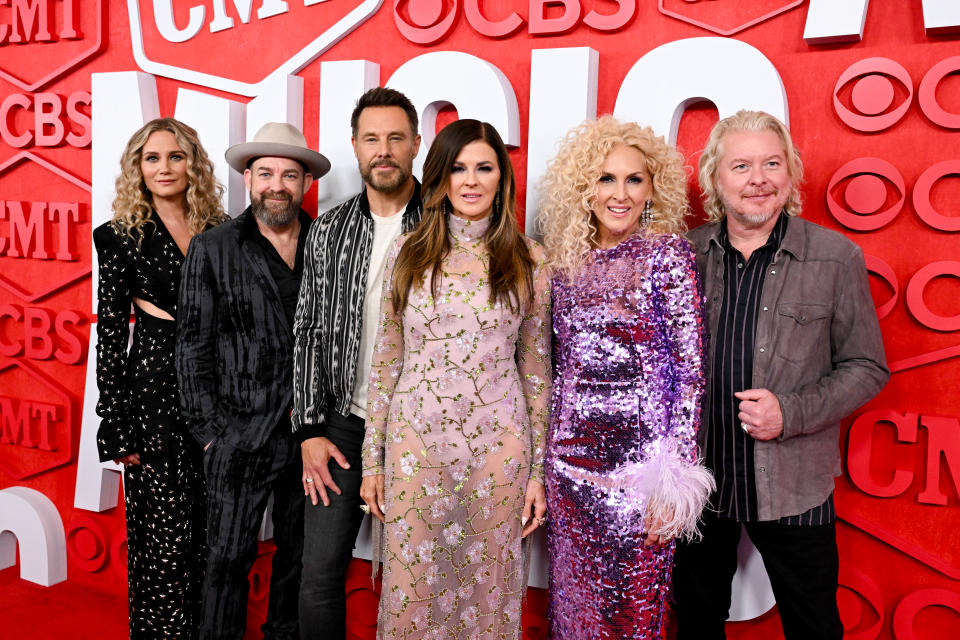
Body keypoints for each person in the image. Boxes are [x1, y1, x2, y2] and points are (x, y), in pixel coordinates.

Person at [672, 110, 889, 640]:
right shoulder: (682, 255)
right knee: (696, 623)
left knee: (813, 625)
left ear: (790, 172)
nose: (758, 179)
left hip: (794, 484)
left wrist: (789, 412)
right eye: (741, 165)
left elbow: (867, 367)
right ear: (715, 179)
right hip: (698, 482)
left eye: (772, 163)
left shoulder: (835, 258)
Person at [359, 119, 551, 639]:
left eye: (484, 167)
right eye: (458, 168)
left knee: (486, 594)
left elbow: (536, 375)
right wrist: (372, 462)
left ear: (501, 178)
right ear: (438, 178)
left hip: (497, 456)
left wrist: (537, 474)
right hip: (415, 452)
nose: (470, 181)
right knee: (412, 592)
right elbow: (386, 364)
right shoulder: (407, 253)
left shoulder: (529, 259)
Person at [536, 115, 714, 639]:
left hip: (639, 476)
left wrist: (672, 481)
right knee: (573, 613)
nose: (620, 193)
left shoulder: (667, 256)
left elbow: (688, 377)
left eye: (634, 179)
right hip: (568, 469)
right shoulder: (564, 264)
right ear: (583, 188)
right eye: (606, 178)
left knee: (633, 616)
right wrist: (546, 462)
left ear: (651, 188)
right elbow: (558, 369)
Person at [176, 122, 330, 639]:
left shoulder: (328, 244)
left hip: (311, 436)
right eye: (265, 173)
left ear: (305, 182)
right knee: (226, 561)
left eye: (289, 174)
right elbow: (192, 344)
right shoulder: (214, 246)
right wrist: (211, 432)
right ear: (247, 178)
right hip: (238, 437)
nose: (277, 185)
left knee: (299, 562)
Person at [293, 87, 423, 638]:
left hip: (421, 427)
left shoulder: (446, 222)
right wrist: (308, 429)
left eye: (396, 137)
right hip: (343, 426)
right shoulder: (329, 228)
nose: (384, 150)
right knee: (319, 574)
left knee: (414, 576)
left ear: (417, 143)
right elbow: (307, 333)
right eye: (372, 138)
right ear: (355, 146)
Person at [94, 117, 226, 639]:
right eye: (153, 158)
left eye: (176, 156)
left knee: (211, 528)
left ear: (192, 163)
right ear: (138, 169)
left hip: (213, 389)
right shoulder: (120, 236)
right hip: (152, 391)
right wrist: (117, 426)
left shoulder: (220, 228)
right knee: (163, 534)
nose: (165, 167)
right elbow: (108, 336)